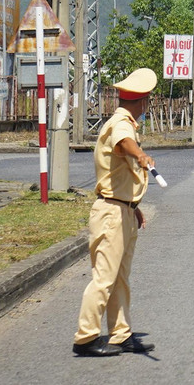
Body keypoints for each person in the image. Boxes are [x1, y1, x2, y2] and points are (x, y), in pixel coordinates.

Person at [72, 68, 158, 357]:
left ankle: (120, 334)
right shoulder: (120, 124)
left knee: (120, 277)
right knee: (105, 278)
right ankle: (85, 338)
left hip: (122, 209)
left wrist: (133, 208)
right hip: (110, 212)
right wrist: (141, 155)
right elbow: (125, 144)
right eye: (147, 102)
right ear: (143, 101)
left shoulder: (126, 122)